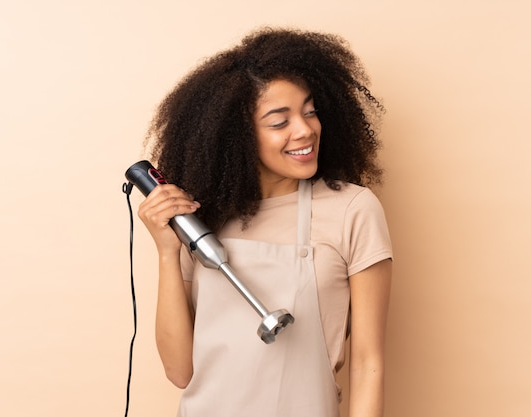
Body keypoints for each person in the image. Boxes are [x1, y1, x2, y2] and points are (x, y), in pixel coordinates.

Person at [137, 27, 393, 417]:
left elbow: (367, 363)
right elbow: (179, 370)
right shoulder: (200, 219)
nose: (305, 130)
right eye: (279, 122)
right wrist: (167, 250)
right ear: (238, 137)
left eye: (309, 111)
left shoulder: (352, 210)